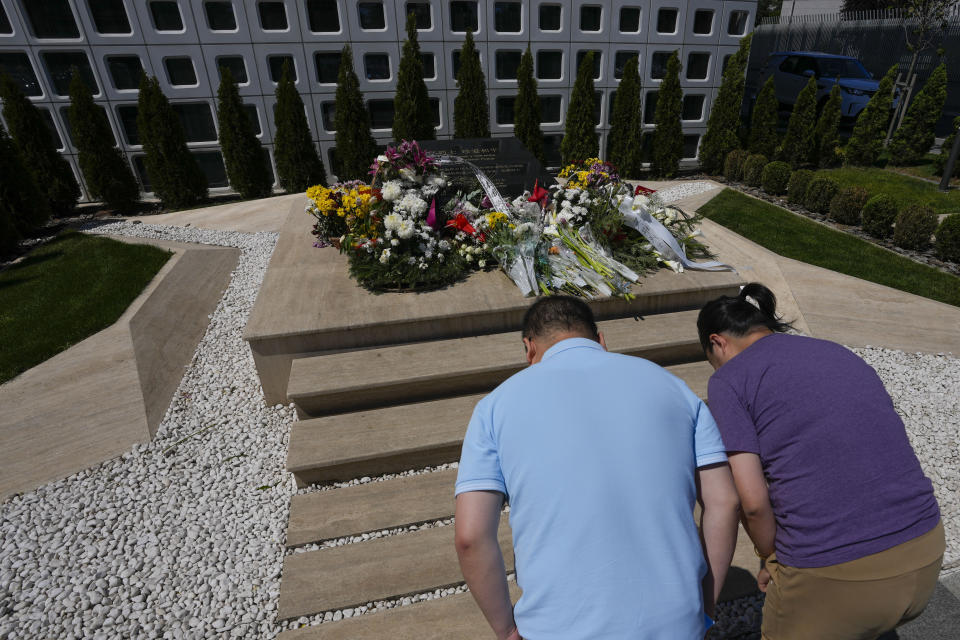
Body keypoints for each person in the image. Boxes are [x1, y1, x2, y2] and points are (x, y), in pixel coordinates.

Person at [454, 296, 740, 639]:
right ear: (601, 340)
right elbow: (725, 503)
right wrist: (704, 607)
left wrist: (505, 629)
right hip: (676, 622)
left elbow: (471, 537)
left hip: (559, 627)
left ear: (529, 349)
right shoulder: (674, 388)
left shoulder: (494, 407)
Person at [697, 283, 944, 640]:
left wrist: (773, 560)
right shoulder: (832, 350)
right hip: (925, 553)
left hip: (839, 578)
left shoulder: (730, 380)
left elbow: (751, 502)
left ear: (718, 342)